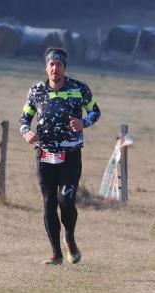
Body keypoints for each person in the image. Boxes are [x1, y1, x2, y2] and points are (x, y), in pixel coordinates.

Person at [19, 47, 101, 265]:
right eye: (51, 64)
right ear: (46, 67)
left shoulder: (79, 89)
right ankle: (55, 253)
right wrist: (27, 132)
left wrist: (84, 122)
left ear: (65, 67)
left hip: (70, 155)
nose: (55, 68)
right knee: (49, 203)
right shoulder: (36, 91)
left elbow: (95, 111)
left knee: (66, 201)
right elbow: (24, 119)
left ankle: (70, 239)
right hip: (45, 154)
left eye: (59, 64)